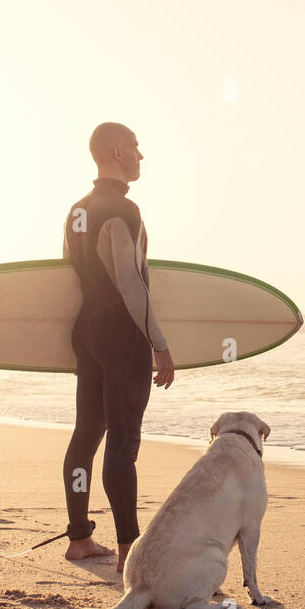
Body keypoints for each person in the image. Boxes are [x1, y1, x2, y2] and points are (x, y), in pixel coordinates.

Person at [61, 122, 175, 572]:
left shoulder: (76, 211)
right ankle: (131, 548)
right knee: (123, 443)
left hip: (87, 331)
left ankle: (79, 539)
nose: (141, 156)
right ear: (116, 151)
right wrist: (159, 345)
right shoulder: (124, 209)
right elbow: (131, 282)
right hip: (123, 334)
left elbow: (66, 278)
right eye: (135, 148)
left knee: (86, 434)